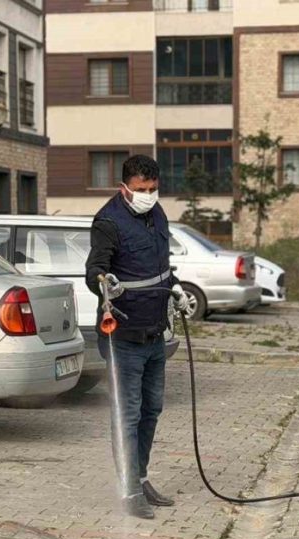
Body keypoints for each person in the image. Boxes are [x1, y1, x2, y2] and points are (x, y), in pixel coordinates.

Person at [85, 155, 193, 520]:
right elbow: (94, 271)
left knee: (151, 410)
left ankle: (141, 477)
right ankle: (128, 490)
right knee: (127, 415)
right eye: (141, 190)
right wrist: (106, 284)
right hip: (124, 338)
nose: (148, 195)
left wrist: (176, 289)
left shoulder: (157, 214)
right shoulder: (108, 223)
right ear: (124, 188)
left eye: (153, 189)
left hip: (154, 334)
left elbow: (160, 266)